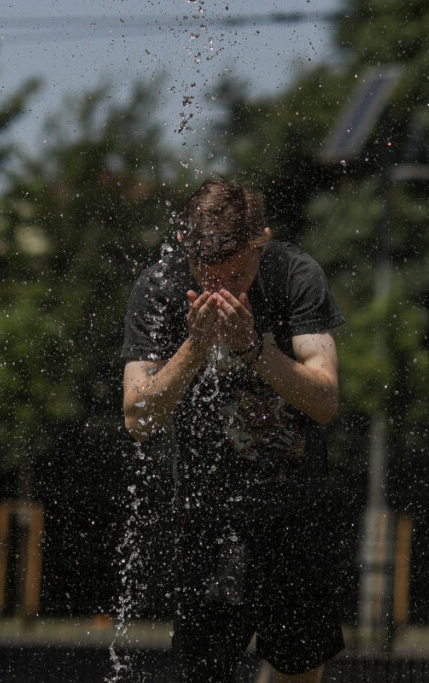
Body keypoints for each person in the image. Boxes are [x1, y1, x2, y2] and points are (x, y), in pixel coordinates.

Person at [121, 177, 346, 682]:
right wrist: (195, 348)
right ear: (185, 245)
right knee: (201, 671)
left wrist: (253, 349)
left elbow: (325, 399)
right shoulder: (159, 287)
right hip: (207, 513)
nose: (219, 289)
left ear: (259, 242)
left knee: (297, 666)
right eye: (206, 273)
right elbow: (139, 418)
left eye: (236, 273)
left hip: (295, 507)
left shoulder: (294, 275)